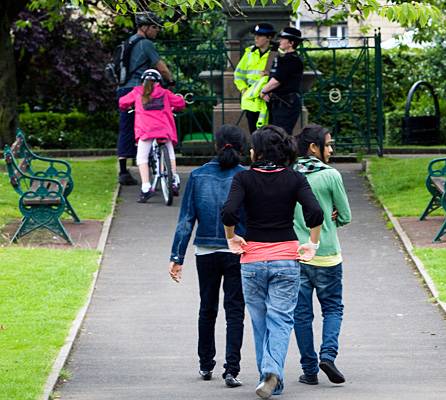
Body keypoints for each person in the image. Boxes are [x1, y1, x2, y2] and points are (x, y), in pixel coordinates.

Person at [221, 125, 324, 399]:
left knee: (259, 321)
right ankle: (271, 373)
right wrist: (312, 243)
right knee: (280, 319)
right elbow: (315, 211)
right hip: (286, 259)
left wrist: (232, 238)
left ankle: (268, 377)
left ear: (256, 152)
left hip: (252, 259)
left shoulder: (243, 179)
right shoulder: (295, 179)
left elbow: (229, 211)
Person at [168, 125, 247, 388]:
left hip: (206, 250)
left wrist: (177, 256)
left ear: (216, 145)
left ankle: (205, 364)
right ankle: (232, 369)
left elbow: (186, 220)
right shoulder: (244, 176)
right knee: (235, 310)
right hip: (237, 250)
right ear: (241, 146)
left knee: (207, 308)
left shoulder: (198, 175)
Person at [292, 125, 351, 386]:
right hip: (327, 254)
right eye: (327, 145)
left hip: (297, 255)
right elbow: (346, 215)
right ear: (313, 148)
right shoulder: (330, 176)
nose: (331, 149)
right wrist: (332, 219)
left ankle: (309, 369)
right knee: (333, 308)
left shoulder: (290, 174)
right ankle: (328, 354)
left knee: (301, 314)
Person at [116, 11, 175, 186]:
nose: (157, 30)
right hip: (140, 91)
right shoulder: (146, 44)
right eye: (154, 27)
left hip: (123, 90)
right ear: (145, 27)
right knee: (150, 124)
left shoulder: (128, 42)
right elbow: (161, 67)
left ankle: (124, 170)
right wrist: (170, 81)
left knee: (126, 128)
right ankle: (152, 167)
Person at [118, 69, 184, 203]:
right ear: (159, 81)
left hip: (146, 130)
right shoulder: (165, 93)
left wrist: (129, 106)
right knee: (170, 152)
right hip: (163, 129)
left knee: (142, 157)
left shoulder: (137, 92)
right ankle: (174, 178)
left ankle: (146, 187)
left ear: (143, 81)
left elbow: (122, 102)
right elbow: (180, 104)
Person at [260, 27, 304, 135]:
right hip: (282, 102)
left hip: (287, 103)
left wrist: (263, 91)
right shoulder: (286, 58)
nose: (280, 41)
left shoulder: (291, 59)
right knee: (276, 134)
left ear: (291, 43)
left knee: (281, 135)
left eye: (283, 39)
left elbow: (277, 80)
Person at [234, 23, 277, 133]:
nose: (256, 38)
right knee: (254, 133)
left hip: (268, 99)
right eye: (255, 35)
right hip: (252, 101)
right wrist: (243, 89)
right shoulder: (249, 53)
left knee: (269, 134)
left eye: (260, 35)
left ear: (269, 38)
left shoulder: (276, 54)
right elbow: (238, 74)